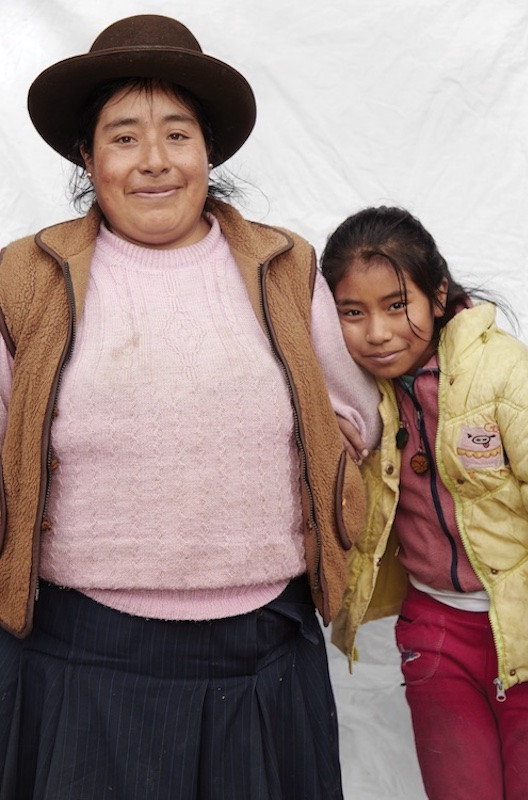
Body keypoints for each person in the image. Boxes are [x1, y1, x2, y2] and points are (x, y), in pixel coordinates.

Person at [0, 15, 381, 800]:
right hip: (84, 653)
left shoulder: (283, 266)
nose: (154, 162)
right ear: (87, 157)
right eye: (124, 137)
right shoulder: (25, 279)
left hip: (264, 653)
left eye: (177, 134)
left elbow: (353, 413)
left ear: (209, 152)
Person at [321, 205, 528, 800]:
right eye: (352, 313)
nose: (378, 332)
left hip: (525, 627)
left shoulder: (503, 373)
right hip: (436, 630)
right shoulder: (352, 394)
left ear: (438, 295)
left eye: (397, 304)